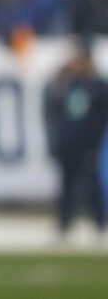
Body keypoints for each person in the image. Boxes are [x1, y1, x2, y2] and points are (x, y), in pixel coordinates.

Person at [44, 38, 108, 242]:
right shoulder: (66, 83)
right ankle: (64, 224)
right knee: (66, 186)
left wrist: (95, 142)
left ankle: (98, 225)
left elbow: (100, 118)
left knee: (91, 187)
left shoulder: (98, 86)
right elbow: (53, 108)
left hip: (88, 143)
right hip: (68, 144)